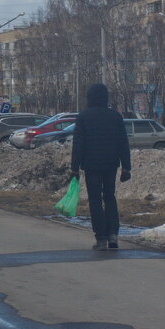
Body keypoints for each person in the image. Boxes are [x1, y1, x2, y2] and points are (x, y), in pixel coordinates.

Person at [69, 83, 131, 251]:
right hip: (111, 164)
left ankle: (101, 239)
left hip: (91, 165)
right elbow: (123, 143)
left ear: (90, 98)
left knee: (95, 201)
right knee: (110, 197)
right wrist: (126, 167)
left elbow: (78, 144)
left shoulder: (84, 116)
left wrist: (74, 168)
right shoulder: (115, 117)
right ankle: (113, 235)